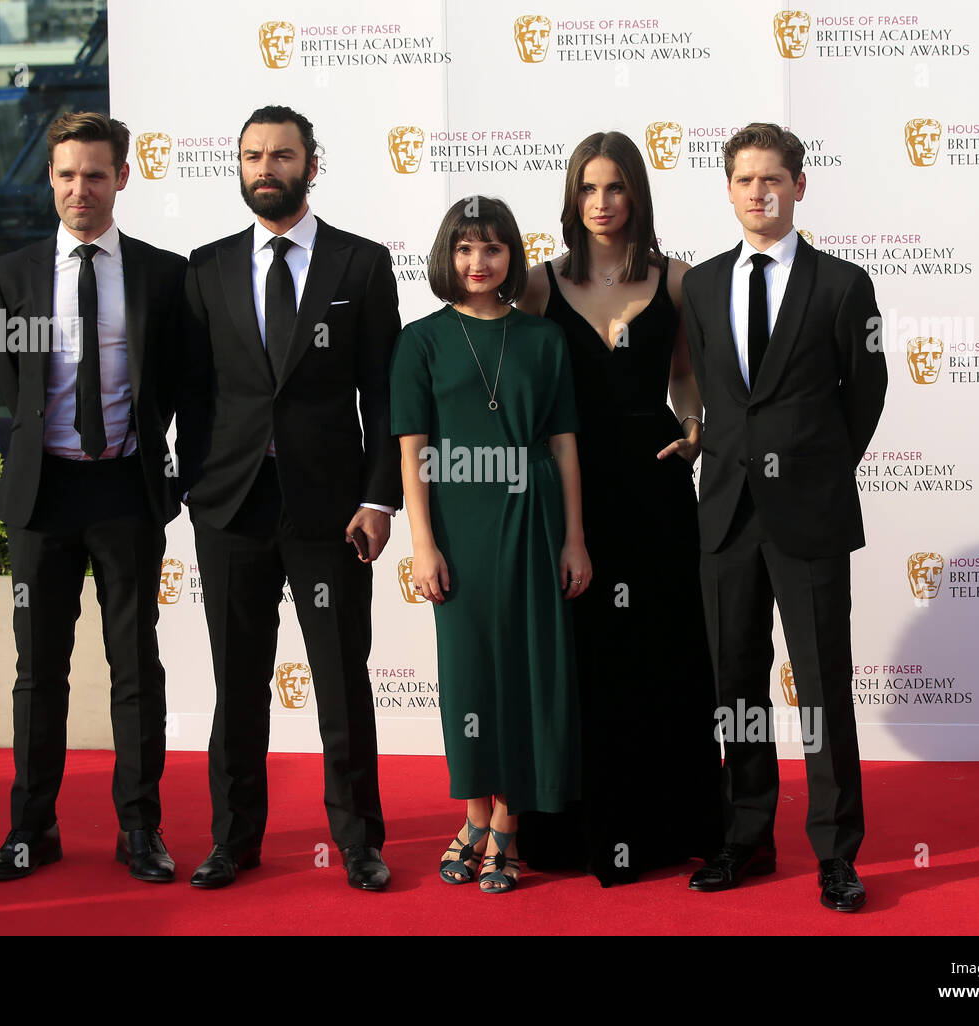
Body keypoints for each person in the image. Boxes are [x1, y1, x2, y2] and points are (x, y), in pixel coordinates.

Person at [176, 105, 401, 891]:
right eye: (251, 156)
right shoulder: (203, 269)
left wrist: (380, 500)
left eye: (281, 155)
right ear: (238, 166)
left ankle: (359, 843)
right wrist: (199, 488)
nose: (265, 168)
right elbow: (192, 395)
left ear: (312, 162)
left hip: (331, 511)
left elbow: (385, 394)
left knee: (342, 681)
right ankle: (232, 841)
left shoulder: (362, 265)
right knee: (236, 685)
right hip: (231, 509)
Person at [681, 123, 887, 911]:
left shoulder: (842, 284)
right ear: (728, 189)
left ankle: (838, 853)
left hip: (810, 514)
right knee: (736, 684)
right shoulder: (700, 286)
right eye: (744, 179)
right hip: (727, 513)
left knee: (822, 687)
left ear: (800, 185)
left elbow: (864, 393)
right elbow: (710, 389)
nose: (759, 192)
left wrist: (820, 472)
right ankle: (747, 837)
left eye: (773, 178)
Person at [0, 112, 186, 884]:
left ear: (122, 178)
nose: (79, 189)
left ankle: (141, 831)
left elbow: (178, 383)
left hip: (126, 489)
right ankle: (31, 830)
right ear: (51, 179)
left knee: (136, 667)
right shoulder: (15, 273)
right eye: (66, 174)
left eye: (95, 174)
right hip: (43, 497)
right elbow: (12, 387)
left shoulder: (164, 275)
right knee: (39, 671)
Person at [516, 130, 724, 885]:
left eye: (615, 188)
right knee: (582, 660)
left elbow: (688, 379)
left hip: (656, 487)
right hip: (574, 493)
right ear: (572, 198)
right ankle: (573, 832)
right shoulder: (539, 285)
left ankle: (672, 825)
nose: (601, 204)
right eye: (588, 189)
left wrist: (696, 429)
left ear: (637, 194)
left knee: (665, 654)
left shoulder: (678, 281)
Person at [391, 195, 590, 893]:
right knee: (470, 674)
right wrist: (423, 544)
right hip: (458, 524)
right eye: (466, 249)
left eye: (494, 249)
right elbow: (412, 454)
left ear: (513, 258)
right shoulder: (418, 340)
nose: (479, 263)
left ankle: (507, 825)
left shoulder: (544, 339)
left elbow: (565, 446)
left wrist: (575, 539)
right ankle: (473, 815)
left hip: (534, 518)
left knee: (529, 674)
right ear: (448, 255)